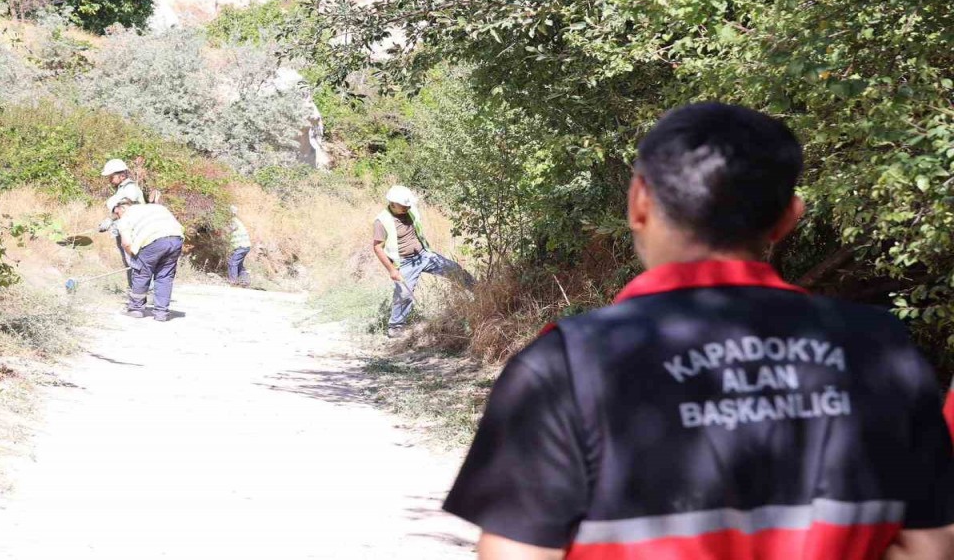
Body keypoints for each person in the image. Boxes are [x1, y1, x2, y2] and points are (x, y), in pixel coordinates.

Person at [443, 103, 954, 560]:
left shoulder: (567, 363)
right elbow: (929, 546)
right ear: (789, 218)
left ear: (639, 201)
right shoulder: (881, 350)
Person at [372, 185, 474, 338]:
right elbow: (378, 248)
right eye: (403, 205)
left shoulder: (410, 209)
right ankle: (395, 327)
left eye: (408, 204)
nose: (407, 206)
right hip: (405, 262)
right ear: (392, 203)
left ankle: (480, 290)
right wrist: (392, 270)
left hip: (424, 255)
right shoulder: (382, 221)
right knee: (404, 294)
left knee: (454, 269)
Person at [112, 199, 184, 323]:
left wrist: (135, 259)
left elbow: (126, 243)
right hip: (176, 239)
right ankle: (161, 313)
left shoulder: (126, 217)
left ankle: (136, 309)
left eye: (116, 214)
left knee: (142, 273)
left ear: (123, 208)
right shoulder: (157, 207)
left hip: (152, 240)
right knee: (165, 276)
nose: (117, 217)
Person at [101, 159, 145, 288]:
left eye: (112, 176)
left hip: (133, 231)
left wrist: (110, 219)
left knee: (136, 261)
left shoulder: (130, 188)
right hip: (124, 230)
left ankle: (144, 290)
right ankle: (137, 290)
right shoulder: (121, 189)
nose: (110, 180)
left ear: (122, 175)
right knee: (130, 261)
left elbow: (125, 206)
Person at [227, 206, 252, 288]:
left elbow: (230, 229)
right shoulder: (237, 220)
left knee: (232, 262)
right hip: (245, 246)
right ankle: (245, 281)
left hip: (241, 246)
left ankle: (233, 282)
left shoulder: (233, 221)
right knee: (239, 264)